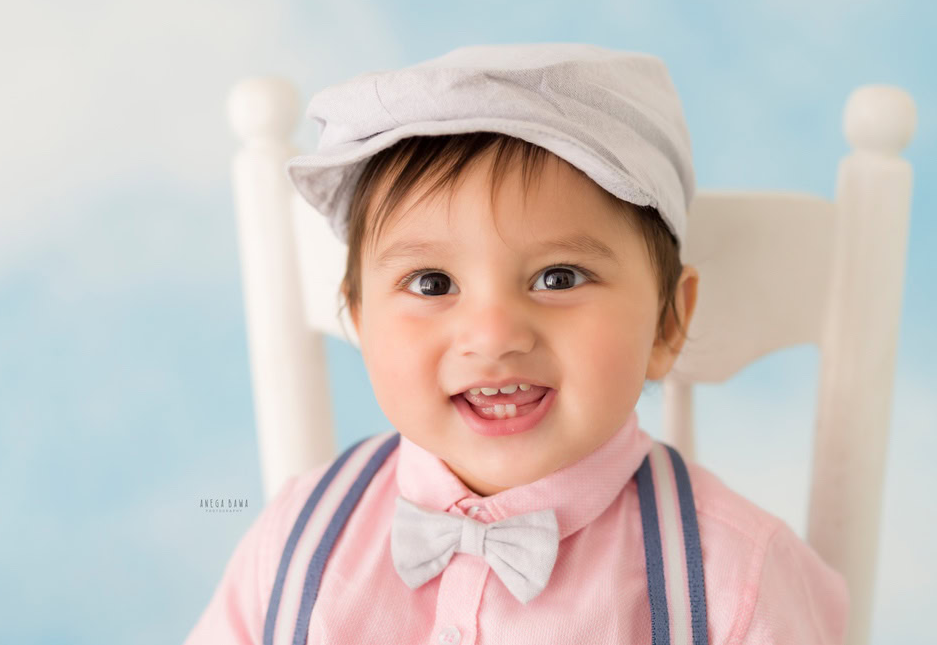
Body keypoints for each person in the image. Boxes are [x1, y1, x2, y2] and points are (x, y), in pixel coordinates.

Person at [186, 43, 849, 644]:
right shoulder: (297, 538)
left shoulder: (734, 578)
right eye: (433, 282)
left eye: (556, 277)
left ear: (667, 324)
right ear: (357, 315)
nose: (494, 335)